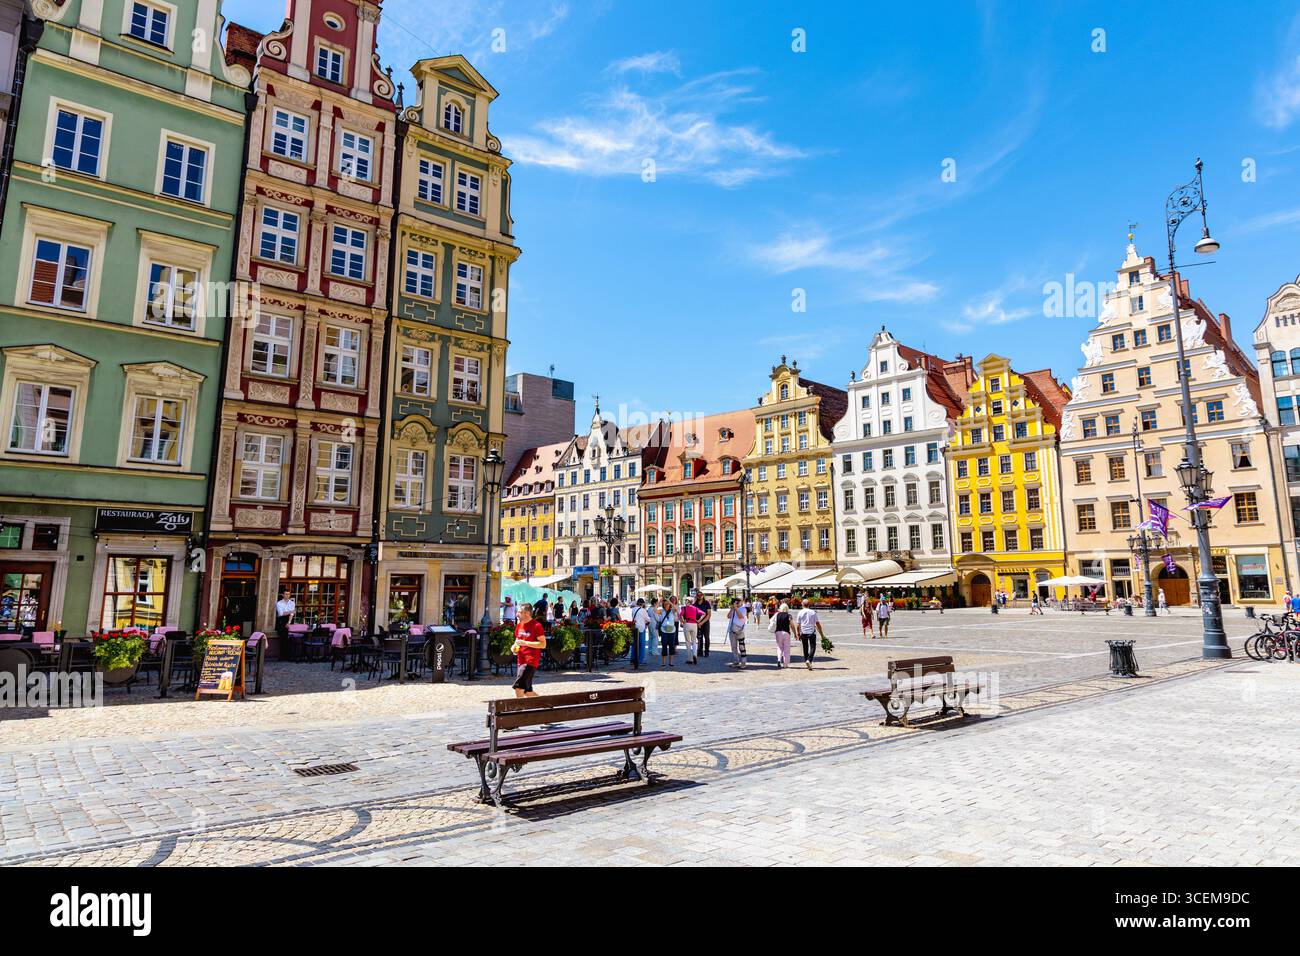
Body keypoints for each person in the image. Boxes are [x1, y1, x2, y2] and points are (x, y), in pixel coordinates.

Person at [510, 603, 547, 698]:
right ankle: (546, 706)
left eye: (519, 612)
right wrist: (513, 648)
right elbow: (517, 641)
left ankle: (519, 711)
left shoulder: (537, 626)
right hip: (520, 661)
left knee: (518, 688)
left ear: (526, 613)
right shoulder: (519, 625)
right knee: (527, 692)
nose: (517, 614)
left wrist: (526, 643)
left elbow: (543, 644)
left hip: (530, 661)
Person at [795, 600, 825, 670]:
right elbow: (817, 624)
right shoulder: (813, 612)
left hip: (803, 632)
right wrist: (822, 634)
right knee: (812, 647)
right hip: (811, 632)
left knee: (805, 647)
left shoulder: (800, 612)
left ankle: (807, 661)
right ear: (809, 605)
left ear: (802, 604)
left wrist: (798, 633)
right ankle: (809, 660)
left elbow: (798, 625)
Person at [654, 597, 679, 667]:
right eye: (665, 604)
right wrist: (659, 602)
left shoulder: (672, 611)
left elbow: (676, 609)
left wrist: (670, 602)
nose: (666, 605)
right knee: (664, 645)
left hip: (672, 631)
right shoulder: (662, 611)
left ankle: (671, 662)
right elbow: (655, 610)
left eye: (668, 604)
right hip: (664, 630)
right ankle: (663, 662)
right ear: (663, 605)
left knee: (671, 646)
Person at [632, 598, 653, 670]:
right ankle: (641, 660)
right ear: (643, 603)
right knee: (642, 644)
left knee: (634, 644)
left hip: (634, 628)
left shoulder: (633, 609)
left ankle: (633, 658)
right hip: (641, 628)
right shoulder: (643, 610)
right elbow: (648, 619)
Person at [726, 599, 748, 668]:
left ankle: (743, 662)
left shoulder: (743, 609)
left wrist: (736, 608)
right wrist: (732, 609)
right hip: (731, 630)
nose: (736, 604)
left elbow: (740, 616)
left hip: (740, 631)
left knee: (742, 647)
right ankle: (736, 661)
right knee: (733, 647)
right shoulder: (733, 609)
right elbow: (728, 616)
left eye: (737, 603)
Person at [770, 601, 793, 668]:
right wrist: (795, 633)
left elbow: (771, 620)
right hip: (786, 632)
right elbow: (792, 625)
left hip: (778, 632)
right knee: (786, 648)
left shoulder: (777, 614)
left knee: (779, 647)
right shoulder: (789, 615)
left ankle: (779, 659)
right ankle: (785, 664)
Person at [679, 597, 702, 664]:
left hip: (687, 624)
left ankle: (690, 659)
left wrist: (683, 621)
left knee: (687, 642)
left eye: (686, 601)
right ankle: (695, 654)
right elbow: (703, 614)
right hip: (694, 624)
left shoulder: (684, 608)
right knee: (694, 641)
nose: (685, 602)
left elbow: (680, 615)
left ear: (688, 602)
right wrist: (699, 620)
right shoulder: (695, 608)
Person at [275, 589, 296, 658]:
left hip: (289, 621)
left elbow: (292, 614)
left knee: (289, 639)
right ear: (283, 595)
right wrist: (291, 611)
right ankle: (282, 656)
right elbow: (281, 613)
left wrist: (289, 623)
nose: (287, 595)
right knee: (282, 638)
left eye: (288, 594)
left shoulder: (292, 603)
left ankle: (288, 655)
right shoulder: (279, 603)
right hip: (281, 621)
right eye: (286, 594)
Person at [694, 591, 712, 657]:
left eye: (701, 595)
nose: (700, 596)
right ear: (696, 596)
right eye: (698, 595)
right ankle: (700, 651)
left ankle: (706, 651)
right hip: (697, 623)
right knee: (699, 638)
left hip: (705, 622)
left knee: (706, 638)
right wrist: (697, 622)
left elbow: (709, 615)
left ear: (703, 595)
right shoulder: (695, 604)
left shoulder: (706, 603)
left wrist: (701, 622)